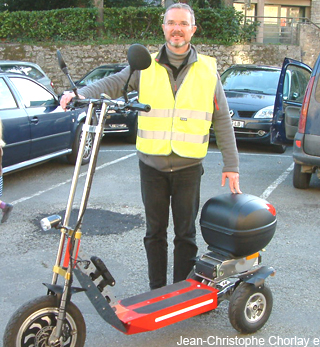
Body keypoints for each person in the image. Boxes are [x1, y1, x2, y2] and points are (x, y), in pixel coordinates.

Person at [60, 3, 241, 289]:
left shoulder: (208, 71)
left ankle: (181, 291)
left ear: (192, 30)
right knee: (154, 232)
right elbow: (116, 82)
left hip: (188, 168)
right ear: (164, 27)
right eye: (171, 23)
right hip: (152, 166)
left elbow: (222, 119)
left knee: (185, 234)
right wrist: (79, 92)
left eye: (183, 24)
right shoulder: (146, 65)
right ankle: (157, 290)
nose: (177, 29)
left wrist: (231, 166)